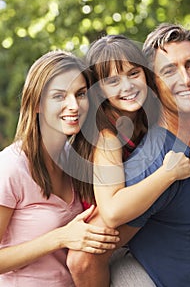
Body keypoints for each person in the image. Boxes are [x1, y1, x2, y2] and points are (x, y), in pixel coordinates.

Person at [67, 34, 190, 287]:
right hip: (105, 230)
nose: (127, 86)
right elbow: (113, 211)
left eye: (134, 74)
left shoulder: (146, 112)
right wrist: (168, 174)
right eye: (112, 81)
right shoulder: (107, 136)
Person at [111, 23, 190, 286]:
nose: (185, 79)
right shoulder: (153, 163)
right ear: (153, 86)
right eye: (168, 71)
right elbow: (85, 260)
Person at [0, 50, 120, 287]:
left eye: (80, 94)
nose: (73, 105)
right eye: (59, 96)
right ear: (36, 103)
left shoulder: (75, 160)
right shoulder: (11, 167)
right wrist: (60, 237)